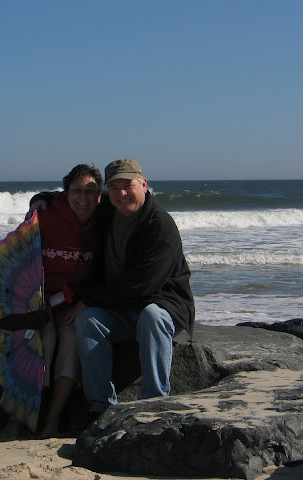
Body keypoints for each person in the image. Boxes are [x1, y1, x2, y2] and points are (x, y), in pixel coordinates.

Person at [71, 158, 194, 417]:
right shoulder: (108, 209)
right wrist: (40, 198)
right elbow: (76, 198)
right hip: (122, 309)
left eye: (128, 185)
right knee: (87, 319)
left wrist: (89, 298)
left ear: (144, 184)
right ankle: (101, 407)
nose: (121, 193)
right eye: (114, 188)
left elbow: (141, 287)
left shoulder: (160, 226)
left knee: (151, 316)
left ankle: (154, 403)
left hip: (162, 304)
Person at [8, 163, 103, 438]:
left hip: (74, 304)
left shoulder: (105, 222)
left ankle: (52, 418)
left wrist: (84, 301)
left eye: (90, 191)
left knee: (73, 341)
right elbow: (16, 258)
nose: (83, 197)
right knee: (44, 339)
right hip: (36, 302)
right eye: (76, 190)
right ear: (65, 193)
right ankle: (18, 416)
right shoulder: (45, 218)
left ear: (100, 196)